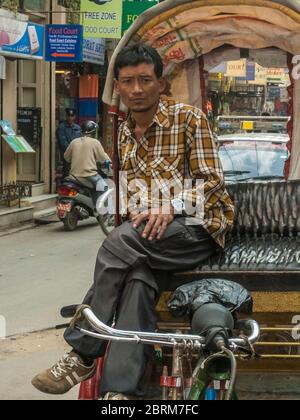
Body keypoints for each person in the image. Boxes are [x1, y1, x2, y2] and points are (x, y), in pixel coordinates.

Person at [32, 44, 235, 400]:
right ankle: (121, 391)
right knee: (137, 280)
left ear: (161, 84)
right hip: (152, 237)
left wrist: (170, 206)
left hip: (199, 228)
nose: (137, 89)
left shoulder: (188, 119)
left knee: (120, 243)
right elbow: (132, 197)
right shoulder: (123, 134)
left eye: (145, 80)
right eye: (128, 81)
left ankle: (82, 351)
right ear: (119, 87)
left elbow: (210, 182)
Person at [64, 120, 111, 192]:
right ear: (94, 132)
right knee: (105, 190)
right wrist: (108, 162)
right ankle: (99, 203)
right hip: (90, 176)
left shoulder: (74, 142)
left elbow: (66, 157)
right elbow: (104, 159)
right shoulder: (95, 142)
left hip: (73, 176)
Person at [56, 108, 81, 177]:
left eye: (72, 116)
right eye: (68, 116)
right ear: (66, 116)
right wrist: (73, 151)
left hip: (78, 156)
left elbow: (81, 141)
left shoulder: (78, 128)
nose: (70, 118)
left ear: (75, 117)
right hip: (67, 156)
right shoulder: (61, 127)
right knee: (68, 175)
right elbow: (63, 143)